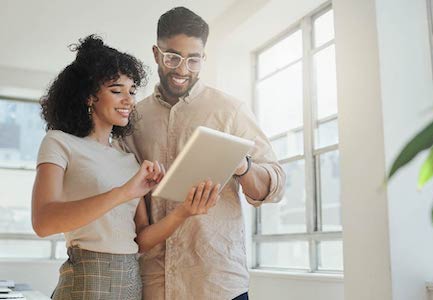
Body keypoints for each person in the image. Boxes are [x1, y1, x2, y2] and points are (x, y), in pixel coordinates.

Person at [32, 35, 219, 300]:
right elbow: (43, 222)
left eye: (132, 91)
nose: (129, 100)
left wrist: (184, 212)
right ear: (89, 96)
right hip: (86, 284)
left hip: (131, 283)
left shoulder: (128, 160)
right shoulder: (59, 143)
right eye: (116, 90)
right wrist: (124, 192)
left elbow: (140, 239)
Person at [122, 7, 286, 300]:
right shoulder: (135, 118)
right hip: (154, 284)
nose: (183, 69)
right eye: (173, 57)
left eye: (193, 60)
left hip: (217, 284)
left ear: (203, 58)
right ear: (156, 53)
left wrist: (243, 167)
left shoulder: (230, 111)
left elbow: (274, 186)